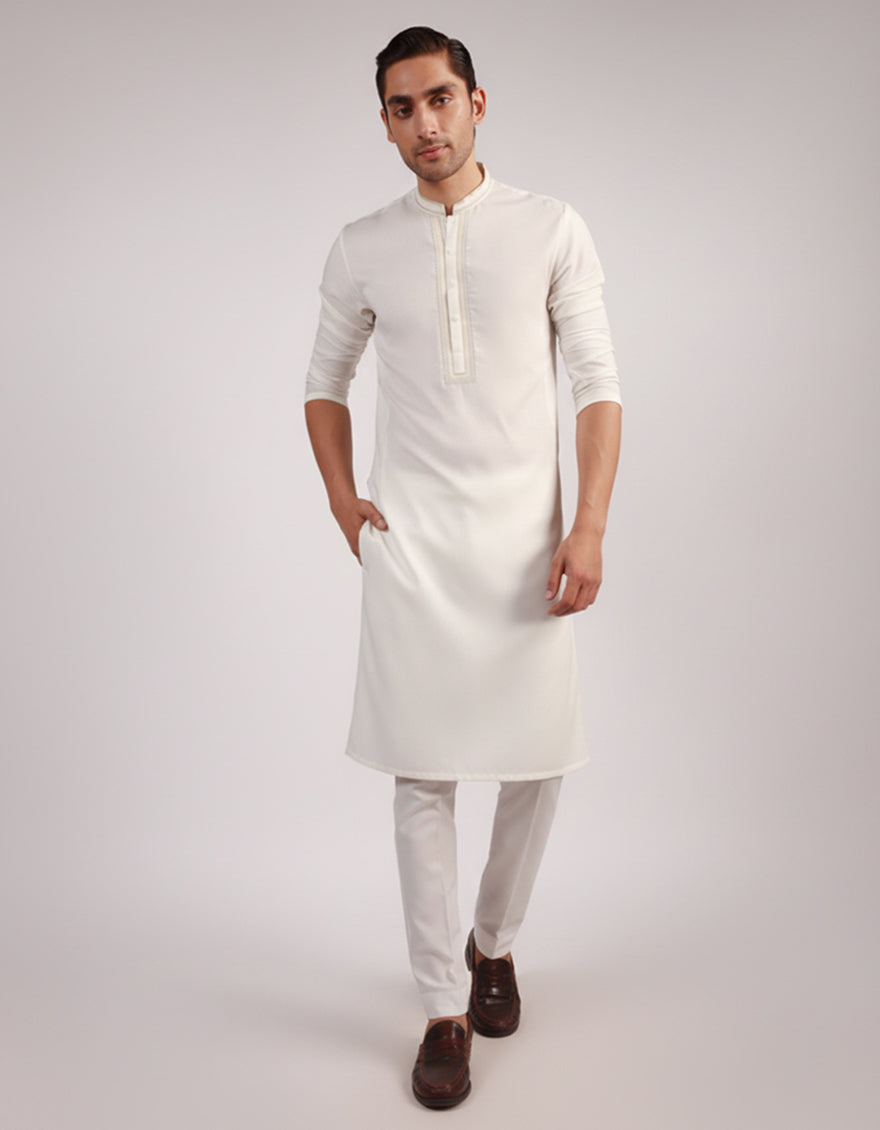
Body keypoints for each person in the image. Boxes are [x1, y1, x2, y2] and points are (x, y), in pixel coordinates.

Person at [304, 26, 622, 1110]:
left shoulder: (550, 227)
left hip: (529, 543)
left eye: (439, 98)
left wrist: (588, 525)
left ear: (477, 102)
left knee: (537, 764)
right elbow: (324, 381)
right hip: (416, 549)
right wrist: (342, 499)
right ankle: (444, 1003)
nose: (424, 123)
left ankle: (495, 942)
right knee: (422, 773)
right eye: (402, 107)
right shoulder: (362, 245)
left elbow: (597, 382)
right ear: (385, 123)